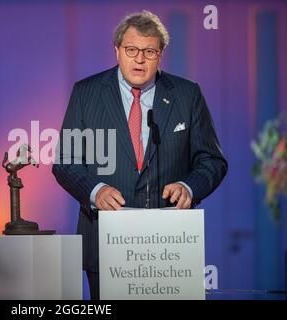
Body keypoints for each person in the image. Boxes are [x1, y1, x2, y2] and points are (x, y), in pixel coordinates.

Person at [52, 11, 228, 300]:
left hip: (169, 245)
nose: (140, 59)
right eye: (131, 50)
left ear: (160, 55)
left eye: (149, 51)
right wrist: (96, 191)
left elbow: (212, 160)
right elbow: (66, 161)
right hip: (105, 239)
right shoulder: (87, 93)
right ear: (117, 50)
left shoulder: (187, 94)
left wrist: (189, 186)